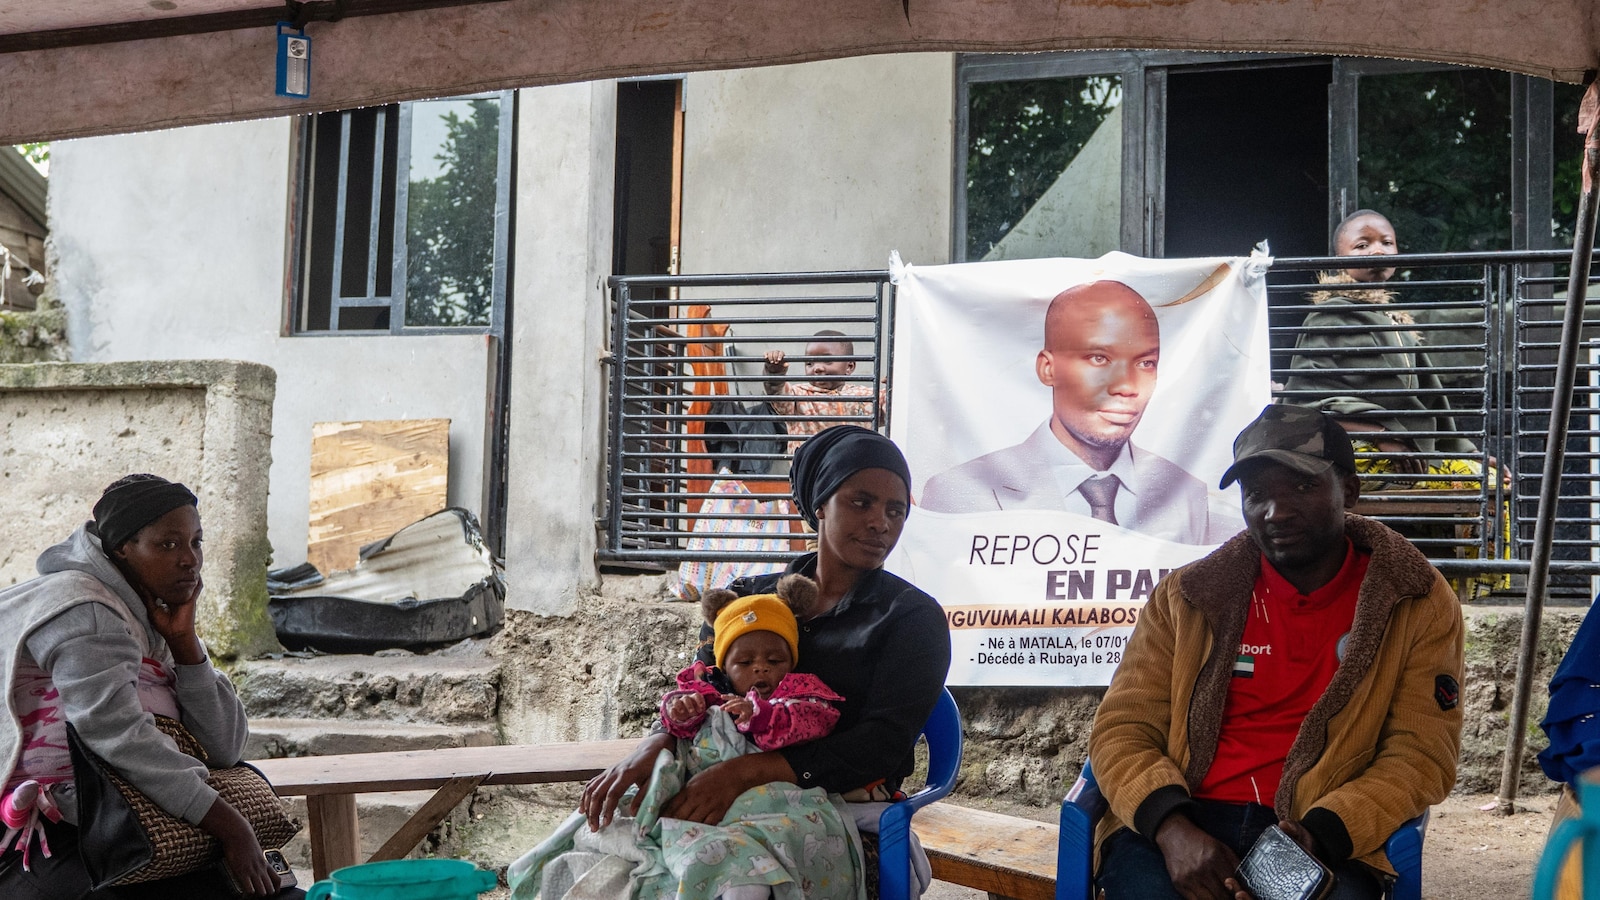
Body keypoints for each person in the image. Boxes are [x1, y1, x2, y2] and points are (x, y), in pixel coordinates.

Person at [1087, 405, 1464, 900]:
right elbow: (1122, 729)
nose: (1276, 511)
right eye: (1257, 493)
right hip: (1187, 818)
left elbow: (1420, 755)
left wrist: (1321, 835)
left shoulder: (1415, 599)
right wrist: (1173, 831)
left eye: (1303, 487)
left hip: (1321, 829)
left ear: (1348, 490)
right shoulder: (1187, 598)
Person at [578, 425, 951, 896]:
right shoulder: (749, 599)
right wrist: (656, 743)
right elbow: (702, 685)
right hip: (713, 778)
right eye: (861, 502)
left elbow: (880, 746)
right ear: (820, 505)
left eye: (895, 511)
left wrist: (745, 773)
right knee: (602, 843)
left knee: (725, 873)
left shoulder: (912, 619)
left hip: (842, 809)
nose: (881, 523)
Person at [0, 474, 298, 899]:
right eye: (168, 544)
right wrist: (233, 827)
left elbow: (223, 748)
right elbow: (118, 736)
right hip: (49, 837)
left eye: (196, 542)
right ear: (123, 547)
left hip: (126, 818)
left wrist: (184, 643)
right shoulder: (86, 611)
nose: (189, 560)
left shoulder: (149, 614)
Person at [920, 280, 1240, 545]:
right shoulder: (957, 492)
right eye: (1099, 358)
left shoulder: (1187, 493)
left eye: (1145, 363)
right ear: (1048, 368)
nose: (1126, 386)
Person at [661, 575, 844, 752]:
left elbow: (818, 722)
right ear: (724, 666)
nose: (761, 668)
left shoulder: (804, 693)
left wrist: (762, 714)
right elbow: (681, 730)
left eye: (774, 660)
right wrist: (682, 711)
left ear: (791, 662)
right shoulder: (709, 688)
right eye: (745, 662)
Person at [764, 330, 878, 456]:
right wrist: (774, 373)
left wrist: (895, 384)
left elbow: (891, 405)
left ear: (849, 367)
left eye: (827, 360)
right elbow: (776, 391)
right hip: (813, 472)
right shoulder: (798, 396)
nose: (817, 368)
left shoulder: (864, 396)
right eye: (809, 363)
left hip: (853, 469)